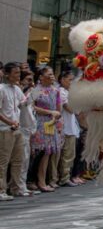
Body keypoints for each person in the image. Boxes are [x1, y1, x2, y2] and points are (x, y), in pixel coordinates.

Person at [30, 67, 62, 192]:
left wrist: (57, 118)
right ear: (41, 76)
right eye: (49, 74)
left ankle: (42, 180)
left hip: (51, 123)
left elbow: (59, 109)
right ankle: (34, 180)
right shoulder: (36, 90)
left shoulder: (56, 90)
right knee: (38, 152)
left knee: (48, 152)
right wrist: (49, 112)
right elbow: (30, 106)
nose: (52, 76)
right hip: (38, 122)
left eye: (52, 74)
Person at [0, 62, 27, 200]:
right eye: (15, 73)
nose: (18, 75)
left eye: (19, 72)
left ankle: (16, 188)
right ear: (7, 74)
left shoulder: (16, 89)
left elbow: (24, 102)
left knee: (18, 159)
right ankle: (1, 190)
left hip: (17, 128)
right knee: (3, 161)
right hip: (5, 129)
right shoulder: (1, 89)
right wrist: (10, 122)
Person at [57, 71, 80, 187]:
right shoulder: (61, 92)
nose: (72, 83)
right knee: (66, 155)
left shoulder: (69, 92)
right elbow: (71, 109)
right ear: (62, 79)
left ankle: (67, 176)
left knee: (70, 154)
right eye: (69, 80)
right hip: (65, 128)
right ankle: (63, 178)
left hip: (71, 127)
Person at [18, 70, 38, 195]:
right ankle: (19, 186)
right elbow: (21, 106)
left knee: (26, 159)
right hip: (20, 129)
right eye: (28, 80)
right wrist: (29, 93)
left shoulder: (29, 93)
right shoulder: (20, 92)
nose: (32, 83)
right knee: (21, 160)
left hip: (29, 130)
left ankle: (22, 185)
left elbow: (31, 109)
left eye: (32, 80)